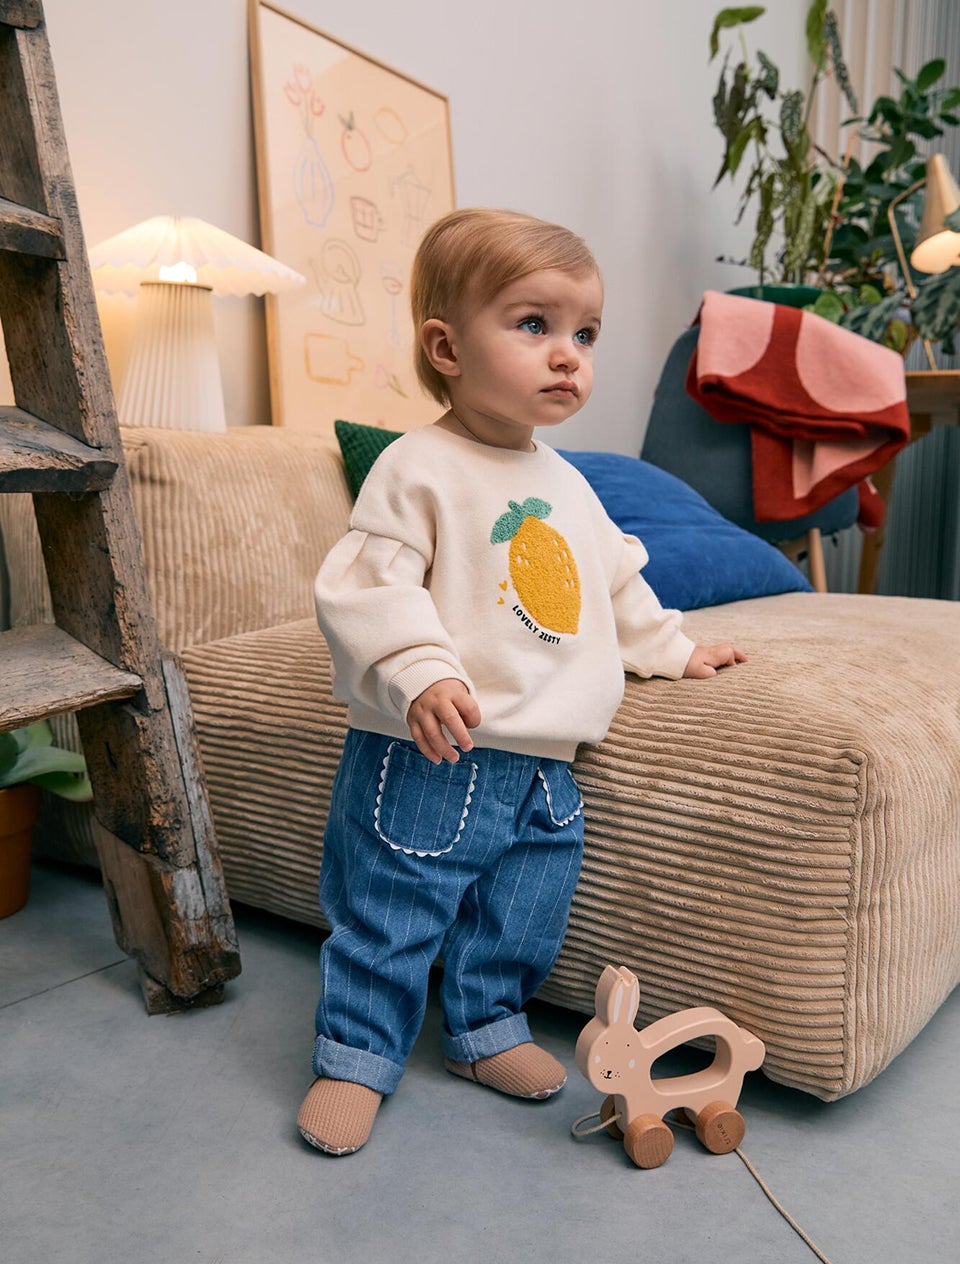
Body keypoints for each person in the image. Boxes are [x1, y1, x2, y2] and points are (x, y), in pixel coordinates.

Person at [298, 207, 746, 1155]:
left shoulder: (570, 483)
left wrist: (672, 649)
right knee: (390, 912)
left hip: (548, 763)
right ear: (447, 347)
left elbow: (615, 585)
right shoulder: (417, 467)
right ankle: (356, 1055)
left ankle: (486, 1029)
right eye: (534, 325)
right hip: (434, 751)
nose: (567, 355)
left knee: (522, 911)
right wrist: (419, 672)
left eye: (586, 333)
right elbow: (368, 587)